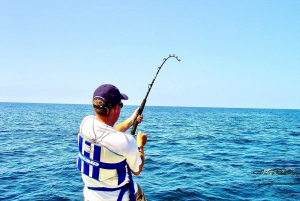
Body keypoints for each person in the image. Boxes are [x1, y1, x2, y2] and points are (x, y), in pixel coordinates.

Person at [77, 84, 147, 201]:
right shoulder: (127, 142)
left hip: (90, 197)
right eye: (121, 105)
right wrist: (140, 145)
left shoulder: (85, 124)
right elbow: (137, 170)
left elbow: (109, 134)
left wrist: (131, 120)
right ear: (115, 109)